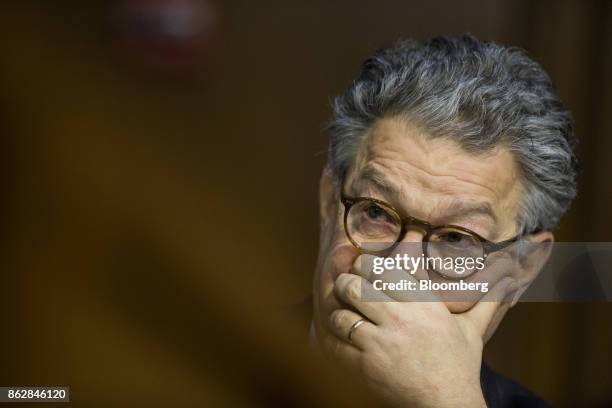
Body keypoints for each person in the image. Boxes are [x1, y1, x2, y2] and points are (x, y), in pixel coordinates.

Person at [310, 35, 578, 407]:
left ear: (523, 268)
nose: (399, 271)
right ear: (328, 204)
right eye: (376, 213)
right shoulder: (212, 366)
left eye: (456, 239)